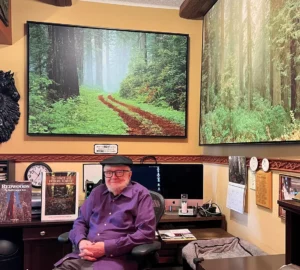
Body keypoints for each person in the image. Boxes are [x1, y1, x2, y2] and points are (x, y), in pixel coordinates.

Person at [53, 155, 156, 270]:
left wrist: (106, 248)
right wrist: (81, 241)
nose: (113, 177)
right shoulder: (97, 192)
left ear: (129, 174)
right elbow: (81, 222)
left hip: (117, 258)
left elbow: (146, 233)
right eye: (108, 172)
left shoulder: (141, 195)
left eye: (119, 172)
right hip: (83, 255)